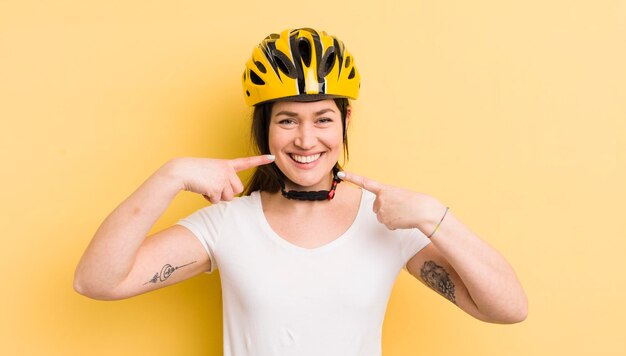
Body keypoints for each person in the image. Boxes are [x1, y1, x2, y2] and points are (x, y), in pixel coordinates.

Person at [74, 28, 527, 355]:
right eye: (287, 120)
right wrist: (169, 177)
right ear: (264, 129)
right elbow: (97, 281)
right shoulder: (228, 224)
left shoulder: (387, 221)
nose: (306, 141)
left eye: (322, 120)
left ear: (345, 122)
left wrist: (434, 217)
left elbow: (507, 309)